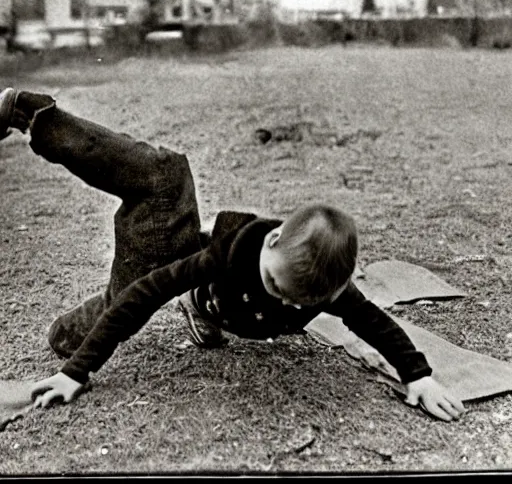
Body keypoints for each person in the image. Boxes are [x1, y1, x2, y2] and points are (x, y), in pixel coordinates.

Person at [0, 87, 466, 422]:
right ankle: (37, 117)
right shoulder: (228, 257)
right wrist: (75, 372)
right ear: (270, 241)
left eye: (301, 305)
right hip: (185, 263)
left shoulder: (318, 286)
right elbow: (143, 294)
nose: (287, 305)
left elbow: (374, 322)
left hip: (218, 305)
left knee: (168, 181)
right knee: (167, 172)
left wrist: (418, 376)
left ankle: (167, 318)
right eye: (277, 287)